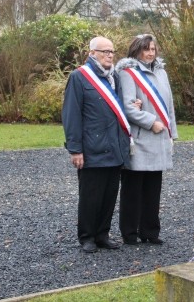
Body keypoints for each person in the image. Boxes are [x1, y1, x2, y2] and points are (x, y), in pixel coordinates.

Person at [62, 36, 131, 253]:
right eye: (104, 51)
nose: (109, 55)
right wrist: (75, 149)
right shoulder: (79, 77)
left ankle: (103, 234)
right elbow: (71, 115)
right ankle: (87, 237)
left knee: (110, 195)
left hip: (114, 147)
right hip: (92, 148)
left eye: (112, 51)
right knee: (91, 196)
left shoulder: (115, 78)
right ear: (92, 53)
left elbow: (118, 110)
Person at [115, 34, 177, 246]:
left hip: (160, 138)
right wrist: (151, 122)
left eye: (153, 49)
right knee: (133, 189)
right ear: (136, 50)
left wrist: (172, 133)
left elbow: (169, 107)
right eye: (146, 49)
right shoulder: (128, 73)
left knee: (153, 188)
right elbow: (128, 107)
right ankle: (130, 233)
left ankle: (150, 231)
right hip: (140, 139)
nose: (150, 53)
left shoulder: (161, 72)